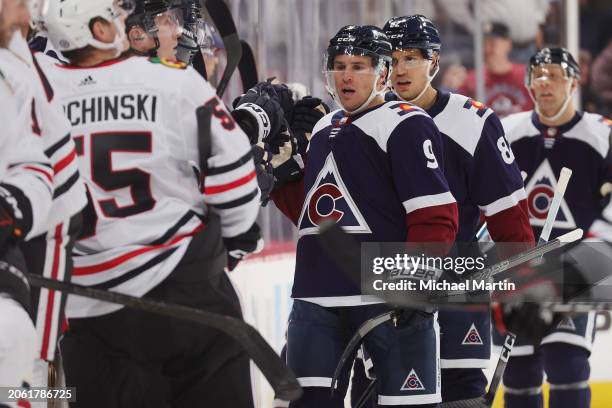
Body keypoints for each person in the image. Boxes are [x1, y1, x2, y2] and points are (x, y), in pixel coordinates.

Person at [41, 0, 261, 406]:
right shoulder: (171, 83)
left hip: (88, 311)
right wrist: (235, 242)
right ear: (98, 30)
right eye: (116, 16)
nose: (125, 21)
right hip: (183, 293)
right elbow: (236, 184)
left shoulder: (35, 98)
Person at [267, 25, 459, 407]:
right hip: (316, 297)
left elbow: (436, 216)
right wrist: (282, 175)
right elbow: (315, 217)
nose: (346, 76)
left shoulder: (407, 123)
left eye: (358, 66)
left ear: (383, 73)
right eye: (339, 66)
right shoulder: (323, 128)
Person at [376, 15, 535, 404]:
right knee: (381, 391)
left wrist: (523, 286)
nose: (399, 69)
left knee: (461, 391)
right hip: (385, 276)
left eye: (410, 57)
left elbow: (509, 217)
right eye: (391, 58)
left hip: (459, 276)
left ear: (433, 61)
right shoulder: (367, 119)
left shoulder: (473, 121)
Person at [502, 47, 612, 408]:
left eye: (555, 74)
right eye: (538, 74)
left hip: (573, 271)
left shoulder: (602, 133)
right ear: (529, 83)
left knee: (567, 364)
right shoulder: (506, 131)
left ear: (575, 82)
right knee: (518, 373)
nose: (545, 82)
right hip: (517, 269)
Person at [0, 2, 88, 399]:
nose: (25, 10)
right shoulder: (20, 60)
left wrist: (11, 209)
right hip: (41, 230)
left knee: (34, 365)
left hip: (42, 232)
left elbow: (40, 167)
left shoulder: (17, 61)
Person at [0, 0, 55, 401]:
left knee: (42, 388)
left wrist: (10, 207)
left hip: (34, 273)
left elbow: (35, 168)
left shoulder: (17, 70)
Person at [458, 21, 534, 118]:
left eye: (492, 43)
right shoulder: (471, 79)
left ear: (508, 44)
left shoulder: (527, 75)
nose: (487, 49)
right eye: (483, 44)